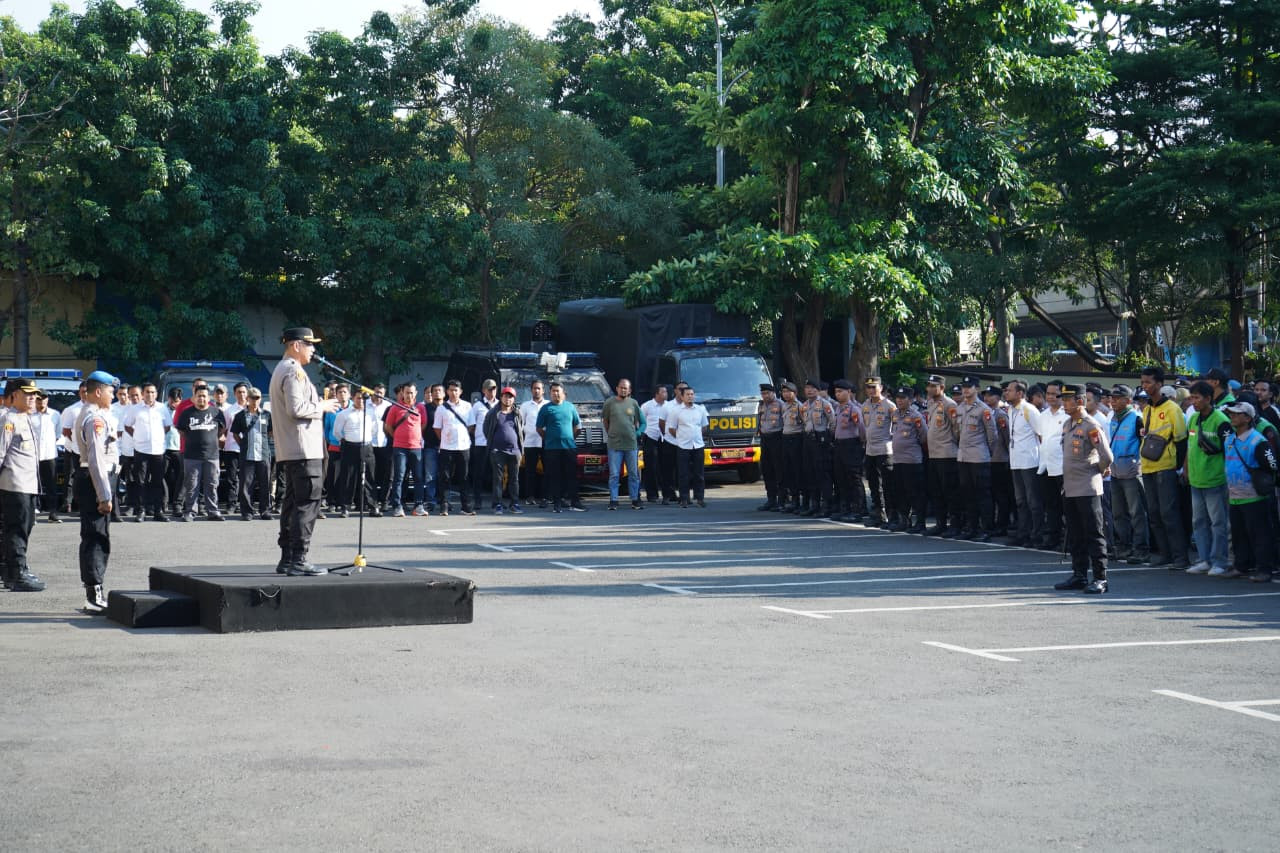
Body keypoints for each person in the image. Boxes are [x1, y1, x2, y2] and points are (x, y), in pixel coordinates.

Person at [270, 326, 340, 576]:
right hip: (303, 449)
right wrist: (321, 405)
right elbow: (296, 408)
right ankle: (299, 559)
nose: (313, 350)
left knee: (293, 503)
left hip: (295, 449)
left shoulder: (284, 369)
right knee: (308, 503)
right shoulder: (293, 371)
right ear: (295, 345)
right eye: (310, 345)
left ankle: (288, 558)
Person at [1053, 384, 1114, 594]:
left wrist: (1097, 470)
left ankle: (1100, 578)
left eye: (1068, 399)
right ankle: (1079, 575)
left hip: (1087, 487)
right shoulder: (1068, 424)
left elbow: (1107, 456)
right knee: (1075, 534)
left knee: (1093, 534)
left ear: (1080, 401)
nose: (1064, 403)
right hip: (1070, 488)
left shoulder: (1090, 425)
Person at [75, 371, 121, 611]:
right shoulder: (95, 419)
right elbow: (95, 459)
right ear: (98, 392)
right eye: (111, 391)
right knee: (96, 536)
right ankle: (94, 594)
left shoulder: (98, 414)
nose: (113, 395)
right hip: (96, 479)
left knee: (96, 535)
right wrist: (104, 494)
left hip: (96, 477)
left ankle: (94, 592)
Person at [1139, 365, 1189, 569]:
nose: (1145, 386)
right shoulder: (1148, 408)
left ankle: (1180, 557)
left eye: (1148, 382)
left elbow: (1181, 440)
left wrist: (1179, 469)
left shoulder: (1172, 409)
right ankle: (1164, 553)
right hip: (1148, 466)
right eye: (1143, 382)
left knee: (1169, 513)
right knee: (1153, 512)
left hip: (1166, 466)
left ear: (1159, 384)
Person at [0, 378, 47, 591]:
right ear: (14, 396)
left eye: (34, 394)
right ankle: (17, 574)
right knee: (17, 530)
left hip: (28, 485)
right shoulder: (8, 420)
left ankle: (14, 571)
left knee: (24, 528)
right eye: (27, 394)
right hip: (14, 484)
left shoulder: (25, 417)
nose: (32, 398)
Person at [1222, 401, 1278, 581]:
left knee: (1260, 535)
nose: (1232, 417)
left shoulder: (1258, 440)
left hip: (1255, 496)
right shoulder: (1229, 439)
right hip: (1235, 495)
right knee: (1239, 534)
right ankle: (1241, 566)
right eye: (1231, 414)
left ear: (1248, 418)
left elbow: (1271, 466)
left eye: (1237, 414)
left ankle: (1264, 570)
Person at [1183, 381, 1232, 576]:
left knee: (1218, 523)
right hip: (1196, 479)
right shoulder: (1193, 418)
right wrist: (1186, 469)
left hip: (1215, 480)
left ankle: (1220, 561)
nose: (1193, 401)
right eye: (1192, 397)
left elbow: (1229, 450)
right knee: (1199, 522)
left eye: (1197, 397)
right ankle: (1204, 559)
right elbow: (1190, 445)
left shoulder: (1221, 420)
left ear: (1208, 399)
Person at [1107, 385, 1150, 565]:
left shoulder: (1137, 419)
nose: (1113, 401)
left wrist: (1137, 464)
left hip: (1132, 471)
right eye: (1112, 397)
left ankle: (1141, 549)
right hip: (1115, 470)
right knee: (1118, 513)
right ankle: (1123, 547)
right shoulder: (1114, 419)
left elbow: (1144, 443)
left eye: (1118, 398)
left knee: (1136, 512)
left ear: (1128, 400)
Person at [955, 375, 997, 542]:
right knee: (968, 494)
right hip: (963, 457)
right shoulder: (960, 408)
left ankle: (986, 528)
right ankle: (971, 527)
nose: (966, 389)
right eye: (964, 386)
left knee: (983, 495)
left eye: (970, 386)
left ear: (977, 389)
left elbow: (992, 436)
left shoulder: (983, 409)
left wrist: (987, 452)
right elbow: (956, 431)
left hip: (979, 457)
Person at [175, 386, 226, 522]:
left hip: (212, 455)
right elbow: (181, 431)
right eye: (199, 396)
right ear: (194, 397)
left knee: (212, 485)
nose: (201, 398)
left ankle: (213, 511)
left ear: (208, 397)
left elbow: (221, 430)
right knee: (191, 485)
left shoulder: (217, 412)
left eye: (204, 396)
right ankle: (190, 511)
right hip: (191, 455)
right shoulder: (186, 413)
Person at [123, 382, 171, 522]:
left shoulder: (162, 408)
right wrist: (138, 436)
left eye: (152, 392)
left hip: (158, 450)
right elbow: (127, 426)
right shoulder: (135, 409)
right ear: (143, 394)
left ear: (156, 394)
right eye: (147, 392)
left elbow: (167, 426)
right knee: (140, 481)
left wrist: (157, 437)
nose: (150, 395)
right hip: (141, 450)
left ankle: (158, 511)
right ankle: (141, 511)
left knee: (157, 482)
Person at [1004, 380, 1042, 547]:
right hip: (1016, 461)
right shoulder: (1011, 409)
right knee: (1020, 500)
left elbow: (1041, 434)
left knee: (1033, 500)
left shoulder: (1029, 410)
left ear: (1020, 393)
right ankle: (1023, 532)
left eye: (1010, 390)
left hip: (1030, 461)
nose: (1006, 393)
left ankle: (1036, 534)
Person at [537, 381, 585, 512]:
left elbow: (577, 426)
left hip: (569, 448)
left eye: (558, 391)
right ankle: (557, 504)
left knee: (572, 475)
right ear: (550, 393)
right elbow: (539, 428)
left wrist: (570, 438)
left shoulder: (570, 407)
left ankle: (575, 502)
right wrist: (549, 439)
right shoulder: (546, 408)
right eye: (553, 391)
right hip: (552, 449)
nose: (555, 393)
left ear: (563, 393)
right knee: (554, 476)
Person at [332, 388, 379, 518]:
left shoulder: (370, 413)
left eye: (364, 399)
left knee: (369, 477)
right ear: (353, 398)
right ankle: (345, 507)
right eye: (358, 398)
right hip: (350, 447)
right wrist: (345, 440)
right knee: (348, 478)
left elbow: (374, 430)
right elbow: (336, 432)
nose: (361, 401)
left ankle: (373, 506)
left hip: (367, 447)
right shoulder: (344, 414)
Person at [1035, 381, 1070, 549]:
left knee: (1067, 506)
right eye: (1048, 394)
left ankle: (1069, 540)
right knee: (1051, 505)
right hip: (1046, 466)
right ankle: (1052, 537)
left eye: (1055, 394)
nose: (1050, 397)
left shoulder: (1068, 415)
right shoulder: (1043, 415)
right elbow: (1041, 438)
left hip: (1063, 467)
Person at [925, 375, 961, 537]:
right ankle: (940, 523)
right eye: (929, 386)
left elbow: (957, 429)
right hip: (933, 454)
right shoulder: (931, 403)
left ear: (942, 387)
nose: (930, 389)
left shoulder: (950, 405)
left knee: (950, 492)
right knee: (936, 491)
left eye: (934, 386)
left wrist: (951, 444)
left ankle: (955, 524)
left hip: (947, 454)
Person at [603, 378, 645, 510]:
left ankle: (635, 499)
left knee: (633, 473)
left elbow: (643, 423)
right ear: (616, 388)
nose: (623, 390)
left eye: (625, 388)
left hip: (631, 445)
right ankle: (614, 500)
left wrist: (637, 434)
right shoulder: (609, 403)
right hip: (614, 445)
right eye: (621, 387)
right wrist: (611, 433)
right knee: (614, 474)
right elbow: (605, 421)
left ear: (629, 390)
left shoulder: (633, 403)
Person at [386, 383, 428, 517]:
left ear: (416, 393)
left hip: (416, 447)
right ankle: (397, 506)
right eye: (406, 393)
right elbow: (388, 426)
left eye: (411, 393)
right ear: (402, 393)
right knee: (399, 477)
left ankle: (418, 506)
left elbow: (423, 424)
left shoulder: (420, 407)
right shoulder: (395, 407)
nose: (409, 395)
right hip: (399, 447)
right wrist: (398, 437)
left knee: (418, 477)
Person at [231, 387, 273, 520]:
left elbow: (271, 433)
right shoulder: (240, 415)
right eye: (252, 398)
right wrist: (243, 445)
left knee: (265, 484)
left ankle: (265, 511)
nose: (255, 400)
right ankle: (247, 512)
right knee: (245, 485)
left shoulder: (267, 414)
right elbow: (235, 433)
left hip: (263, 454)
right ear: (247, 399)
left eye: (257, 398)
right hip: (247, 454)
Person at [890, 386, 927, 532]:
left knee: (915, 492)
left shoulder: (915, 415)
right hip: (898, 459)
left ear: (910, 400)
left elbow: (924, 435)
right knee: (900, 491)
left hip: (912, 459)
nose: (899, 400)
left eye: (903, 398)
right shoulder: (895, 414)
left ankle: (920, 522)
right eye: (897, 397)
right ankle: (904, 520)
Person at [433, 379, 473, 516]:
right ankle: (444, 506)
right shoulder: (441, 408)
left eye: (456, 390)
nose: (453, 392)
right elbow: (437, 429)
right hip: (446, 447)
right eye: (451, 390)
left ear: (461, 392)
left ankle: (466, 506)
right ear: (447, 392)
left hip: (463, 447)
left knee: (464, 477)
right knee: (445, 477)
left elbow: (471, 426)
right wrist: (446, 438)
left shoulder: (468, 406)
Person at [831, 379, 867, 522]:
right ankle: (845, 508)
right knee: (841, 478)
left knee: (854, 478)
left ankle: (859, 509)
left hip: (851, 445)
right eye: (836, 392)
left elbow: (862, 428)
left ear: (849, 392)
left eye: (841, 392)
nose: (838, 394)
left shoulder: (854, 409)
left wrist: (862, 442)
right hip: (839, 445)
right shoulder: (838, 408)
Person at [483, 386, 524, 513]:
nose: (508, 399)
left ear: (514, 399)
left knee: (514, 479)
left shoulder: (517, 413)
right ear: (501, 397)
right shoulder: (493, 413)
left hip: (515, 450)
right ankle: (497, 504)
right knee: (498, 479)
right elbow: (486, 429)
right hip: (497, 451)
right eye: (505, 396)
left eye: (510, 397)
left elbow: (521, 429)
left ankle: (514, 503)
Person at [668, 384, 709, 508]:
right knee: (683, 474)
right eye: (688, 395)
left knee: (699, 474)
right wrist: (681, 438)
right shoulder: (676, 411)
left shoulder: (700, 409)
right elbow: (671, 429)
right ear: (682, 396)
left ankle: (700, 498)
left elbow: (704, 426)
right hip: (683, 446)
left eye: (692, 394)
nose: (690, 397)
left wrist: (695, 436)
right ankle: (684, 498)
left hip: (698, 445)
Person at [861, 378, 895, 526]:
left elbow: (896, 427)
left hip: (884, 449)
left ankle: (891, 515)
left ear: (880, 387)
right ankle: (878, 514)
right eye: (868, 387)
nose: (871, 390)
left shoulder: (889, 406)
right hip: (870, 450)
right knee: (873, 484)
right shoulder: (865, 405)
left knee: (887, 484)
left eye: (874, 387)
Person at [800, 379, 836, 517]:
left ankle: (826, 505)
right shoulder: (804, 405)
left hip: (821, 440)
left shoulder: (824, 404)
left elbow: (833, 422)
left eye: (813, 388)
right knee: (810, 473)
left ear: (818, 390)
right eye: (807, 388)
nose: (809, 391)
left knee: (822, 473)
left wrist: (827, 438)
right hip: (808, 439)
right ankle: (814, 504)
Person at [983, 385, 1013, 536]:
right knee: (993, 494)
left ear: (997, 398)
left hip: (1000, 459)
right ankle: (992, 523)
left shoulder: (1000, 415)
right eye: (985, 395)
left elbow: (1007, 437)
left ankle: (1002, 524)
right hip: (989, 458)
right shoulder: (986, 412)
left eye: (990, 395)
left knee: (1001, 495)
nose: (986, 398)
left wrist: (1008, 457)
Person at [468, 378, 499, 511]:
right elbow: (472, 425)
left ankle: (496, 501)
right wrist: (479, 436)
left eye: (494, 389)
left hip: (497, 444)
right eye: (489, 389)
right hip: (481, 444)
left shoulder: (500, 404)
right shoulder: (477, 406)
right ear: (483, 390)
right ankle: (478, 500)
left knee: (496, 474)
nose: (492, 392)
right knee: (478, 473)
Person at [520, 380, 548, 507]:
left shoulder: (548, 405)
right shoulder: (525, 405)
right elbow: (520, 424)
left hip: (546, 442)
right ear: (531, 390)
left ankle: (545, 497)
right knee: (530, 471)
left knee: (547, 471)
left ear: (543, 391)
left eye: (539, 388)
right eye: (534, 388)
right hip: (530, 442)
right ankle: (530, 496)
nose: (536, 391)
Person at [32, 391, 60, 523]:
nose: (41, 402)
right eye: (38, 399)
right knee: (32, 485)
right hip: (32, 455)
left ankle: (53, 512)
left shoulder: (55, 415)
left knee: (51, 485)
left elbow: (58, 435)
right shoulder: (29, 414)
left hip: (49, 455)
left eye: (44, 399)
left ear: (47, 400)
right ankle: (33, 512)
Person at [777, 381, 804, 512]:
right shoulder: (783, 406)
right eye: (784, 392)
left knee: (797, 470)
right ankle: (792, 499)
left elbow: (805, 424)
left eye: (789, 392)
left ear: (795, 393)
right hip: (785, 438)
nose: (786, 394)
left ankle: (798, 501)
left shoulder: (800, 406)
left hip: (796, 438)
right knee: (787, 470)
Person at [642, 385, 671, 505]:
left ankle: (668, 494)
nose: (666, 394)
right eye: (663, 392)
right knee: (651, 467)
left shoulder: (670, 406)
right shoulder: (647, 406)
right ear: (657, 394)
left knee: (666, 467)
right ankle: (652, 494)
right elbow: (640, 421)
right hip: (651, 438)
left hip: (665, 438)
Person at [368, 384, 393, 511]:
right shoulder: (365, 404)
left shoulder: (388, 406)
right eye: (377, 392)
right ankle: (371, 501)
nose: (379, 395)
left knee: (386, 474)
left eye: (381, 393)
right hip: (369, 444)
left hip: (384, 443)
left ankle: (384, 501)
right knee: (370, 474)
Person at [163, 388, 185, 516]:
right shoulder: (161, 409)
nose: (174, 404)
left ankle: (178, 504)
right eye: (172, 400)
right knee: (162, 476)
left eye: (176, 401)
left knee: (181, 477)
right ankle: (164, 502)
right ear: (168, 398)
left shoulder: (184, 409)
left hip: (179, 448)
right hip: (164, 448)